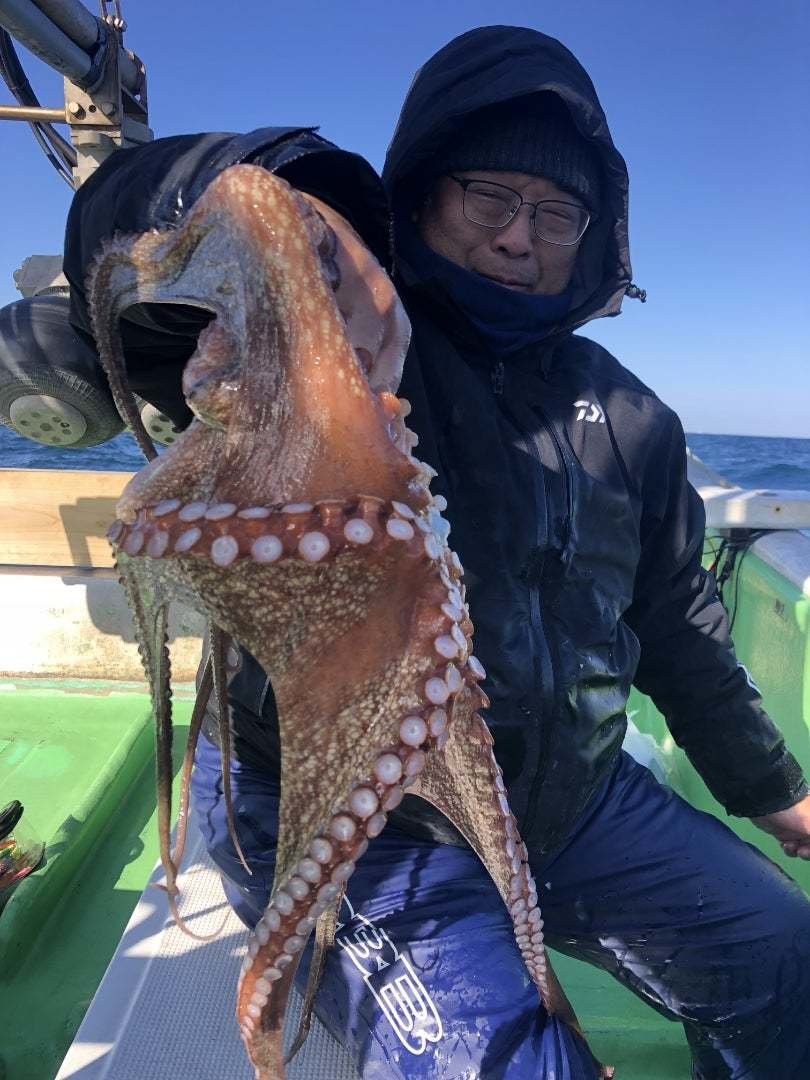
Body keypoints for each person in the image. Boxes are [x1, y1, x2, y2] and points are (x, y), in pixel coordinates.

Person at [62, 25, 810, 1080]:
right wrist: (299, 214)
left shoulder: (633, 417)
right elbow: (116, 226)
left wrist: (774, 791)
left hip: (571, 799)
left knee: (784, 953)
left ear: (597, 237)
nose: (518, 237)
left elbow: (677, 629)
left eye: (555, 213)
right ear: (418, 197)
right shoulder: (328, 346)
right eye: (487, 197)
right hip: (356, 817)